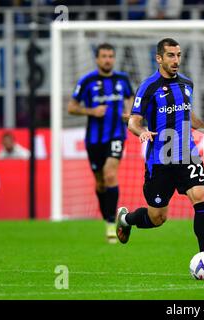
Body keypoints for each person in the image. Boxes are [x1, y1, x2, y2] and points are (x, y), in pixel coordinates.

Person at [115, 38, 204, 256]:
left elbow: (187, 112)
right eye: (171, 55)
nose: (176, 60)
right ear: (159, 58)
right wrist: (141, 132)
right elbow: (134, 120)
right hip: (160, 159)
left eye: (179, 55)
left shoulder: (187, 84)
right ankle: (126, 219)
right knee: (157, 218)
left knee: (201, 194)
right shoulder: (148, 87)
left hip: (187, 154)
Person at [68, 43, 134, 244]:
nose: (107, 60)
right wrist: (91, 111)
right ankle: (106, 216)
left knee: (110, 173)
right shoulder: (87, 81)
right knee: (100, 182)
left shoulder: (122, 79)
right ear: (97, 59)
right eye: (104, 56)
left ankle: (111, 223)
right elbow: (71, 107)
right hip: (94, 140)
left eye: (111, 56)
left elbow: (131, 96)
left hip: (116, 135)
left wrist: (129, 113)